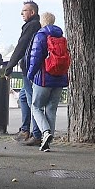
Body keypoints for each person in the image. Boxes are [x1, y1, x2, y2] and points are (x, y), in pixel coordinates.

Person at [26, 11, 69, 153]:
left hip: (43, 78)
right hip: (59, 78)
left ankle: (45, 132)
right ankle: (48, 141)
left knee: (36, 107)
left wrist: (30, 74)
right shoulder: (61, 37)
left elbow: (35, 58)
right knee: (51, 109)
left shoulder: (41, 35)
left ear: (42, 22)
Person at [1, 0, 40, 141]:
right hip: (31, 68)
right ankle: (25, 130)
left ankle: (36, 134)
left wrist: (9, 66)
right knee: (23, 97)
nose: (21, 13)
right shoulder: (36, 25)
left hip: (29, 69)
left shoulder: (31, 26)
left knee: (32, 101)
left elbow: (21, 46)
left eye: (24, 10)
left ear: (32, 12)